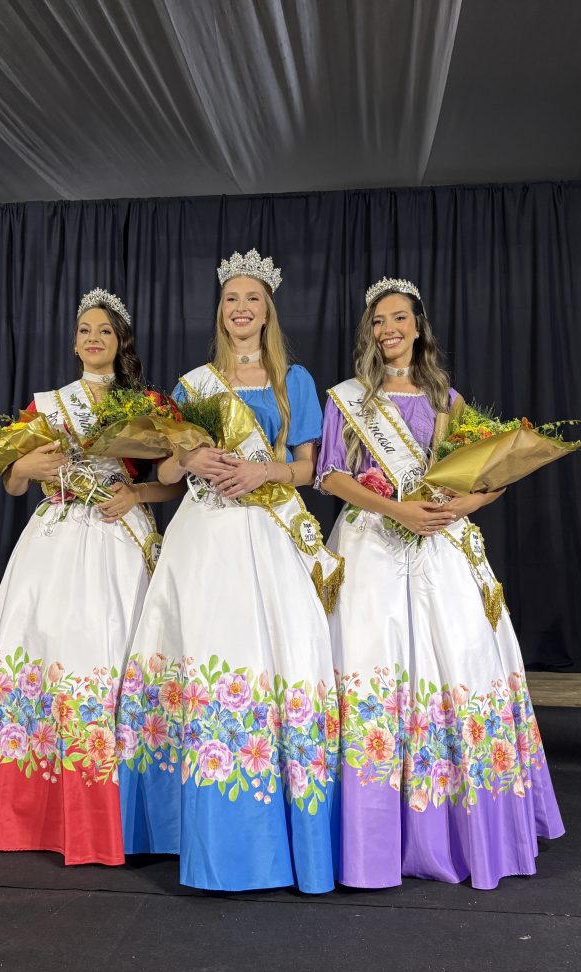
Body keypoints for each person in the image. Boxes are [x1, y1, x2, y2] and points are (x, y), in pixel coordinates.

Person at [317, 276, 564, 890]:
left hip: (440, 544)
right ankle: (372, 835)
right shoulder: (348, 399)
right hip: (372, 543)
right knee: (372, 661)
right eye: (379, 321)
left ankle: (457, 828)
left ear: (418, 327)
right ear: (370, 332)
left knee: (458, 661)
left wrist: (464, 506)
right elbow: (331, 475)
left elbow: (491, 473)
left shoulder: (446, 399)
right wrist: (395, 509)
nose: (389, 329)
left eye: (399, 318)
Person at [115, 250, 343, 894]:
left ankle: (275, 835)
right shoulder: (194, 386)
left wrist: (262, 469)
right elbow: (165, 470)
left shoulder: (294, 380)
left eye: (252, 299)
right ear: (221, 312)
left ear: (268, 311)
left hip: (269, 535)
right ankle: (182, 829)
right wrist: (191, 459)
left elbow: (310, 470)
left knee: (275, 659)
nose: (241, 309)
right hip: (205, 539)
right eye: (231, 300)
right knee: (203, 657)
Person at [0, 288, 180, 866]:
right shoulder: (48, 405)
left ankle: (125, 814)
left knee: (111, 650)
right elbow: (14, 483)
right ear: (74, 342)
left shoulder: (148, 404)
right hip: (54, 539)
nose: (93, 338)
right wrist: (21, 466)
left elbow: (173, 483)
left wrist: (137, 495)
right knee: (47, 648)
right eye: (84, 330)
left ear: (121, 341)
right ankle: (32, 811)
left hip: (119, 538)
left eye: (105, 330)